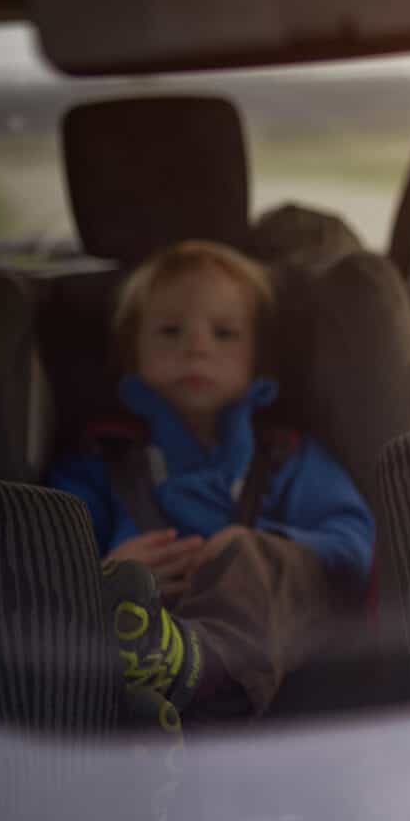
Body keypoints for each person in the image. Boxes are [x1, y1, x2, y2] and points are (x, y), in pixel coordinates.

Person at [47, 239, 375, 717]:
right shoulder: (99, 462)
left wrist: (260, 550)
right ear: (131, 350)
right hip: (142, 647)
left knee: (248, 557)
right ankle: (173, 671)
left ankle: (195, 665)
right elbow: (50, 564)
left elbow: (353, 544)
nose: (197, 348)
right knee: (117, 590)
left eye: (223, 333)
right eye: (170, 332)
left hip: (283, 646)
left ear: (257, 358)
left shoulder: (286, 456)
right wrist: (105, 574)